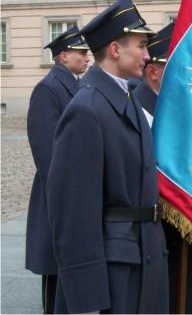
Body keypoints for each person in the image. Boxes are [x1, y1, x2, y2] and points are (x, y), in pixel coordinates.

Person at [46, 0, 169, 314]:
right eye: (140, 46)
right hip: (114, 273)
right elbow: (73, 214)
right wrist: (86, 301)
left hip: (143, 258)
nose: (146, 54)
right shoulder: (87, 110)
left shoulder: (124, 98)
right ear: (116, 49)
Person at [135, 22, 192, 314]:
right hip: (157, 230)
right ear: (154, 72)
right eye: (181, 66)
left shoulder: (181, 108)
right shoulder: (138, 109)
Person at [25, 26, 89, 314]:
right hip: (56, 193)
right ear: (63, 56)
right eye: (81, 52)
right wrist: (65, 191)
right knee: (55, 275)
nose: (87, 57)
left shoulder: (77, 86)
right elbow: (46, 151)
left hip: (73, 191)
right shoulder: (48, 88)